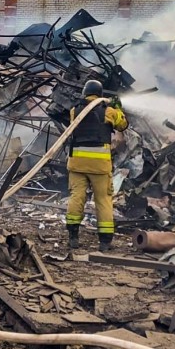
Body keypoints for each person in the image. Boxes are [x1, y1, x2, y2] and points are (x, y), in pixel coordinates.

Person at [65, 80, 128, 251]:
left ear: (85, 93)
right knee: (103, 200)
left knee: (76, 197)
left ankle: (73, 237)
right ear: (100, 94)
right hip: (99, 165)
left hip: (77, 163)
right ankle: (105, 242)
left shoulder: (74, 110)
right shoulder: (109, 111)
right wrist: (118, 108)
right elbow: (122, 125)